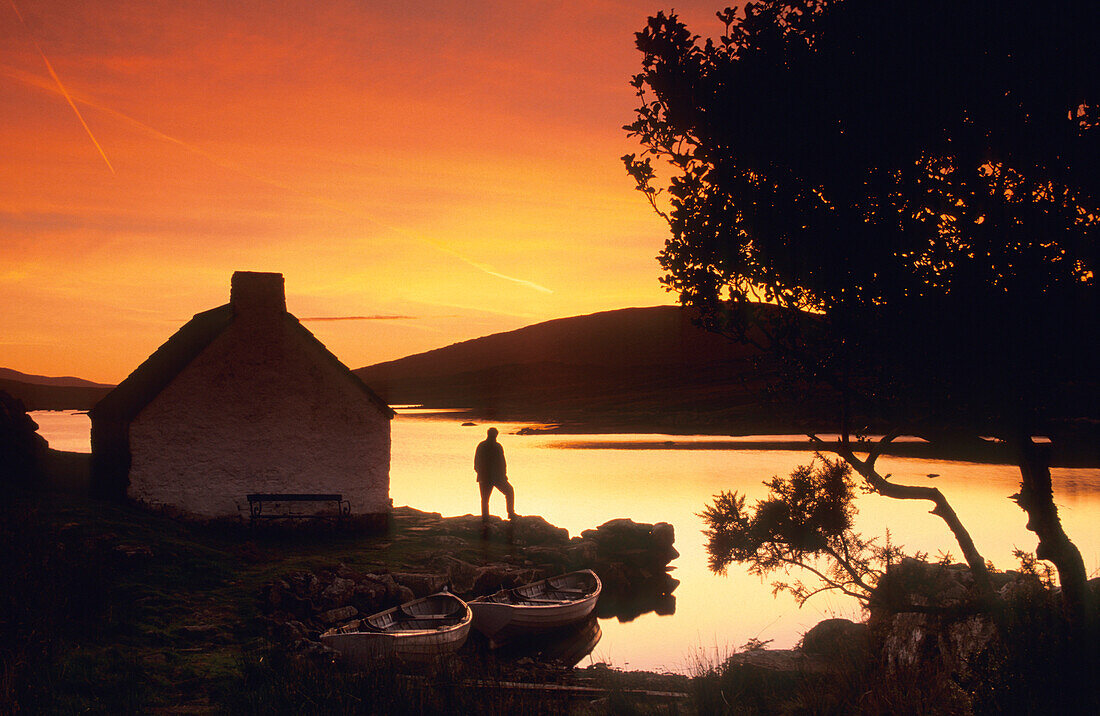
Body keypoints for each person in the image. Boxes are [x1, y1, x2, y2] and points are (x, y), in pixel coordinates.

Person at [474, 427, 515, 521]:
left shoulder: (483, 445)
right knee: (508, 491)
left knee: (485, 499)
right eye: (494, 435)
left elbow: (476, 463)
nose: (495, 437)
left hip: (491, 477)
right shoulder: (495, 446)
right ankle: (510, 513)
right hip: (493, 478)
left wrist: (503, 475)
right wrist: (503, 475)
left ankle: (486, 517)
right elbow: (502, 463)